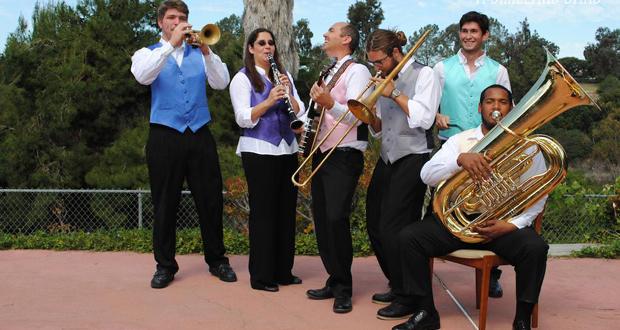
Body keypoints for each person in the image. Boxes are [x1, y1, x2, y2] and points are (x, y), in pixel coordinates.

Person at [391, 85, 548, 330]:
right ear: (480, 107)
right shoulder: (460, 141)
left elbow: (540, 191)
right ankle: (426, 312)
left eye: (503, 102)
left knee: (536, 247)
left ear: (511, 107)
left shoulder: (527, 146)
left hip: (499, 226)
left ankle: (522, 319)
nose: (496, 107)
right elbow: (426, 174)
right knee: (408, 238)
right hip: (457, 222)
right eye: (489, 102)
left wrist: (511, 225)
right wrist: (459, 160)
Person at [130, 0, 236, 289]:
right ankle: (165, 265)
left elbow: (221, 82)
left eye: (183, 17)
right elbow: (142, 76)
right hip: (164, 135)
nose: (179, 22)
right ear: (161, 23)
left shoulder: (199, 52)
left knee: (210, 200)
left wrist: (206, 49)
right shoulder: (147, 53)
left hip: (200, 133)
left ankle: (217, 260)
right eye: (173, 17)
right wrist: (170, 45)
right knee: (165, 203)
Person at [433, 11, 512, 297]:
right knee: (444, 208)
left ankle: (491, 273)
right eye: (464, 31)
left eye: (474, 31)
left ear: (485, 35)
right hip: (450, 146)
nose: (468, 36)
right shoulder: (441, 68)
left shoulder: (498, 69)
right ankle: (436, 254)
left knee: (490, 207)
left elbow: (506, 110)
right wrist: (436, 115)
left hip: (489, 150)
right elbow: (430, 105)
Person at [363, 29, 441, 315]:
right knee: (374, 223)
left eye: (380, 62)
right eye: (373, 63)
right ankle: (398, 284)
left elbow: (424, 118)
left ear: (396, 53)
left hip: (414, 157)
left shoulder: (425, 74)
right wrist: (369, 116)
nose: (377, 68)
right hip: (387, 157)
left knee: (395, 228)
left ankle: (410, 297)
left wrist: (393, 92)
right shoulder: (384, 77)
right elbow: (381, 128)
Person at [229, 28, 305, 292]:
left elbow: (301, 112)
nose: (267, 47)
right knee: (263, 214)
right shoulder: (242, 79)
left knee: (286, 212)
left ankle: (283, 271)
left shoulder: (284, 77)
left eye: (271, 43)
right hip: (259, 149)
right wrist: (269, 100)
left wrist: (289, 95)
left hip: (286, 148)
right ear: (251, 48)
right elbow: (242, 117)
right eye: (261, 43)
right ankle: (261, 276)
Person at [304, 22, 372, 314]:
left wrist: (330, 102)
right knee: (322, 219)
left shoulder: (358, 71)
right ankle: (334, 278)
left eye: (329, 30)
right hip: (321, 153)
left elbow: (358, 117)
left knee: (335, 218)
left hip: (344, 154)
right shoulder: (329, 71)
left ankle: (344, 287)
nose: (324, 34)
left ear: (345, 39)